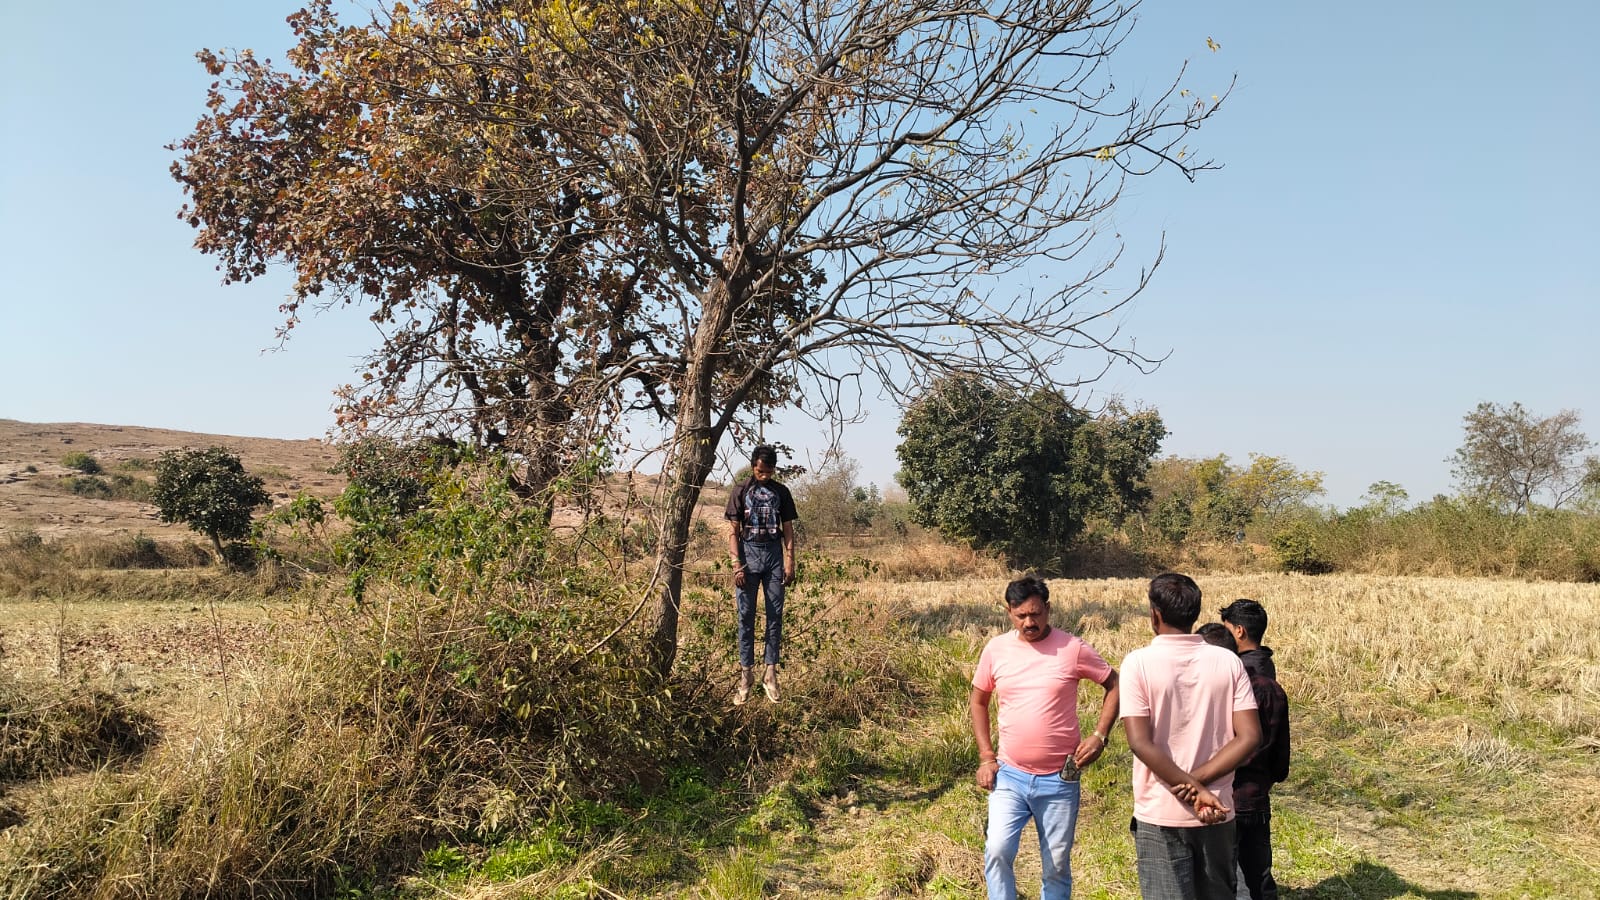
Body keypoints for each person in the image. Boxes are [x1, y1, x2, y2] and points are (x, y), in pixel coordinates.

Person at [970, 575, 1120, 900]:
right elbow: (978, 700)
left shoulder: (1072, 648)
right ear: (1008, 611)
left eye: (1036, 614)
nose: (1029, 622)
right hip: (1010, 774)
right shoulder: (996, 650)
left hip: (1060, 779)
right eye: (1020, 615)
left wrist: (1100, 736)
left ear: (1048, 609)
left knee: (1055, 865)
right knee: (997, 850)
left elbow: (1115, 685)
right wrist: (986, 757)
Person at [1121, 573, 1261, 900]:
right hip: (1217, 809)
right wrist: (1200, 787)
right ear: (1195, 614)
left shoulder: (1137, 664)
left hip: (1160, 809)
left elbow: (1140, 742)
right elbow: (1250, 736)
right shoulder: (1227, 661)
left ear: (1154, 614)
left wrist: (1190, 788)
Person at [1219, 599, 1291, 900]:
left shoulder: (1236, 680)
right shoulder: (1269, 676)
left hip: (1230, 792)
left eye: (1225, 633)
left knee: (1232, 879)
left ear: (1238, 631)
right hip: (1258, 795)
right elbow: (1279, 757)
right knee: (1258, 874)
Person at [724, 444, 798, 704]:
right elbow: (733, 531)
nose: (763, 475)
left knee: (774, 616)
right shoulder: (741, 490)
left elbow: (787, 528)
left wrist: (790, 560)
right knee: (745, 617)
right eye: (759, 470)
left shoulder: (782, 492)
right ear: (753, 466)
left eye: (768, 471)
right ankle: (746, 676)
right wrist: (736, 564)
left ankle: (770, 674)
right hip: (748, 555)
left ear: (774, 469)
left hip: (774, 557)